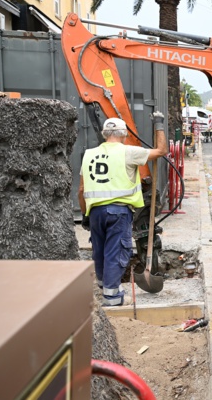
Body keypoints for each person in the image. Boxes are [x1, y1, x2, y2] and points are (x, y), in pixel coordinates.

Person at [78, 114, 168, 306]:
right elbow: (161, 151)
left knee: (100, 251)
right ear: (124, 134)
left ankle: (106, 288)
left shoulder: (88, 154)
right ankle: (112, 298)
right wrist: (159, 124)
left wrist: (85, 214)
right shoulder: (128, 152)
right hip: (118, 212)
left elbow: (81, 189)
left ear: (104, 134)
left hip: (94, 213)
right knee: (116, 252)